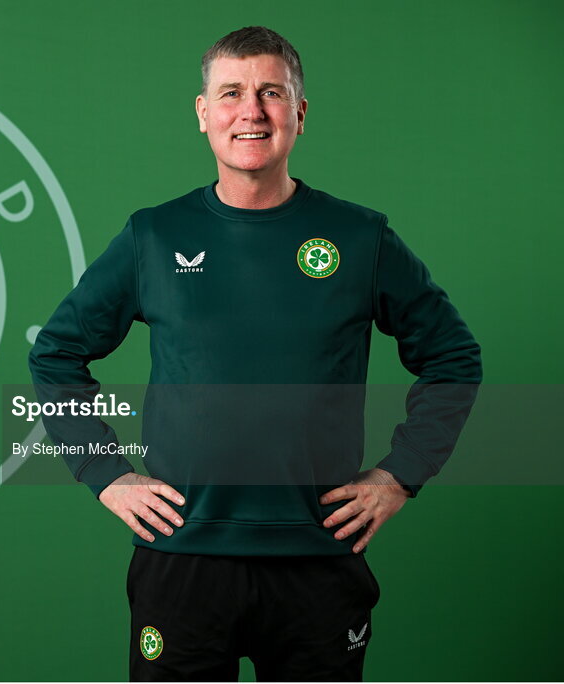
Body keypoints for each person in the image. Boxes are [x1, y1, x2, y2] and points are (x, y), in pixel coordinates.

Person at [28, 25, 481, 682]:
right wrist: (106, 474)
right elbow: (57, 355)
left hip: (318, 559)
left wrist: (400, 474)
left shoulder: (360, 237)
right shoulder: (154, 236)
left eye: (272, 93)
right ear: (203, 113)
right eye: (232, 92)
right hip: (182, 558)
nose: (252, 111)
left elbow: (453, 358)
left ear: (299, 113)